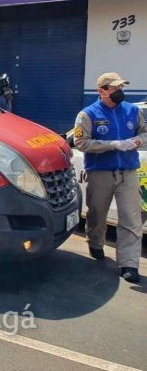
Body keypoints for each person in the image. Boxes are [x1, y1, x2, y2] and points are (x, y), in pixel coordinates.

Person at [73, 72, 146, 284]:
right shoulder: (87, 114)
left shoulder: (132, 111)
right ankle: (95, 243)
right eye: (114, 88)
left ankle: (129, 264)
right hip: (100, 173)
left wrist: (138, 141)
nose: (119, 92)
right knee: (97, 214)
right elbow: (81, 143)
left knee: (132, 220)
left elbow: (145, 133)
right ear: (102, 91)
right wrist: (113, 144)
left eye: (121, 87)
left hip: (128, 173)